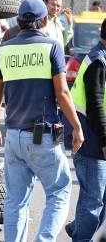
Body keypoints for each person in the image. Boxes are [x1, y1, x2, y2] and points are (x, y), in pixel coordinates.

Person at [0, 0, 84, 241]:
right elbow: (62, 93)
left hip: (13, 136)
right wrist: (77, 126)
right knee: (60, 190)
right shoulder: (52, 47)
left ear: (19, 22)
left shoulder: (4, 50)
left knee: (15, 201)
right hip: (42, 137)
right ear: (44, 21)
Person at [65, 18, 106, 241]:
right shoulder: (98, 61)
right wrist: (104, 142)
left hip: (98, 139)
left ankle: (78, 227)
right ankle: (81, 236)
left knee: (101, 201)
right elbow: (96, 106)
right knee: (94, 201)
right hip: (92, 142)